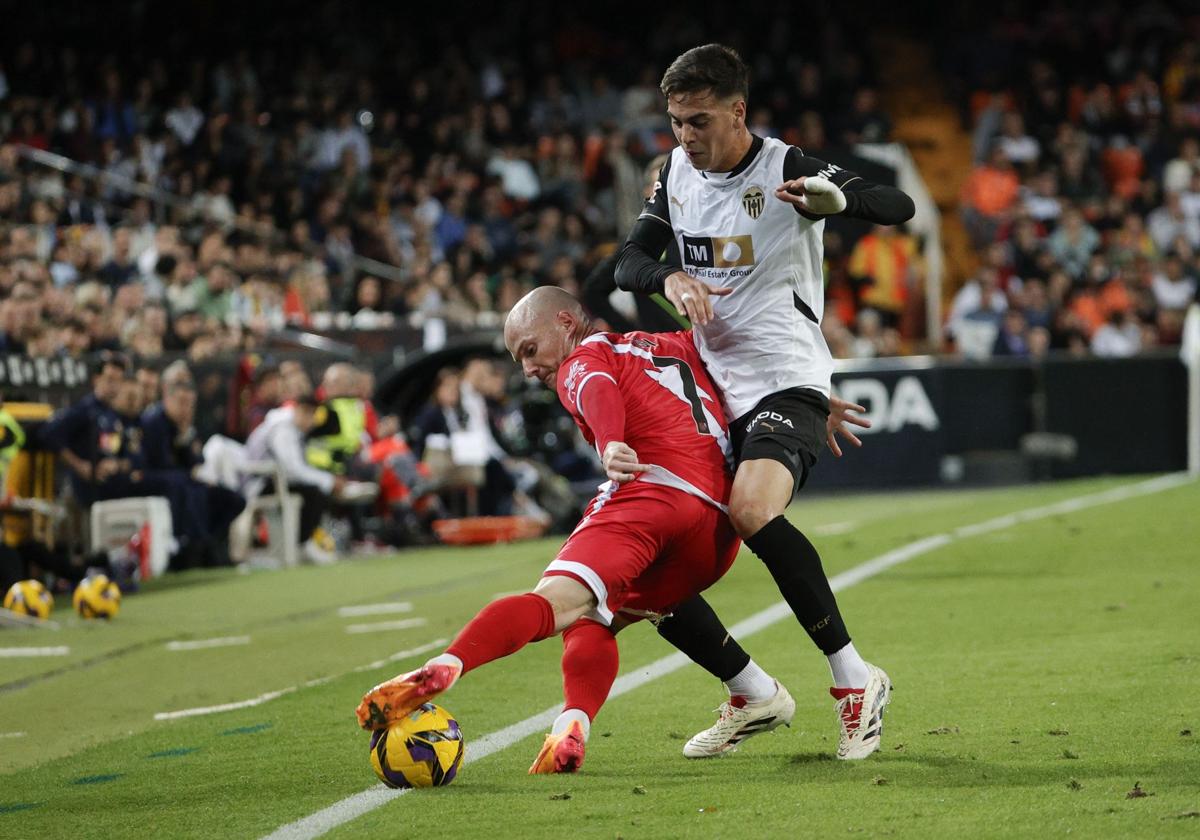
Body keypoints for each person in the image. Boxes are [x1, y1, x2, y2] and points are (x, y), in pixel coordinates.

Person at [614, 44, 913, 760]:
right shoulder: (676, 173)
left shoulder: (785, 168)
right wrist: (669, 280)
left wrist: (835, 201)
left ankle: (855, 680)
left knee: (752, 511)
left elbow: (895, 204)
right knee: (654, 566)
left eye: (700, 119)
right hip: (714, 390)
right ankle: (752, 693)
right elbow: (625, 263)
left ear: (737, 110)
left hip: (784, 377)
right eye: (677, 121)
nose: (686, 135)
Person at [356, 287, 792, 773]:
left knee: (556, 602)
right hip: (715, 530)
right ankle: (575, 724)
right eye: (517, 358)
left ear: (566, 322)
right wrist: (810, 399)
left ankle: (444, 666)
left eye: (529, 350)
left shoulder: (585, 354)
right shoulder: (673, 344)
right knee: (597, 617)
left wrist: (609, 444)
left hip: (653, 496)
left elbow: (592, 384)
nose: (527, 369)